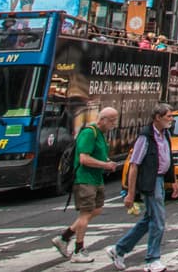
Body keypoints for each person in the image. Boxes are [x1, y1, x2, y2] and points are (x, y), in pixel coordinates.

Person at [107, 103, 178, 272]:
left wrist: (173, 181)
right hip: (150, 181)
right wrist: (130, 194)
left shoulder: (165, 134)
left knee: (149, 219)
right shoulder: (145, 137)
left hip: (160, 180)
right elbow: (134, 166)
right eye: (169, 116)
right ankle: (152, 259)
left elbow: (167, 158)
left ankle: (118, 249)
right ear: (157, 117)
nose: (171, 119)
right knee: (159, 221)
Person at [53, 107, 121, 259]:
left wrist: (108, 162)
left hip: (96, 179)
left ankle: (64, 237)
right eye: (112, 120)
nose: (114, 124)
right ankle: (79, 250)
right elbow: (84, 159)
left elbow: (99, 156)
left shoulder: (101, 134)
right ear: (102, 119)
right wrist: (105, 165)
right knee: (85, 214)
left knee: (96, 210)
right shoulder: (89, 133)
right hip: (85, 179)